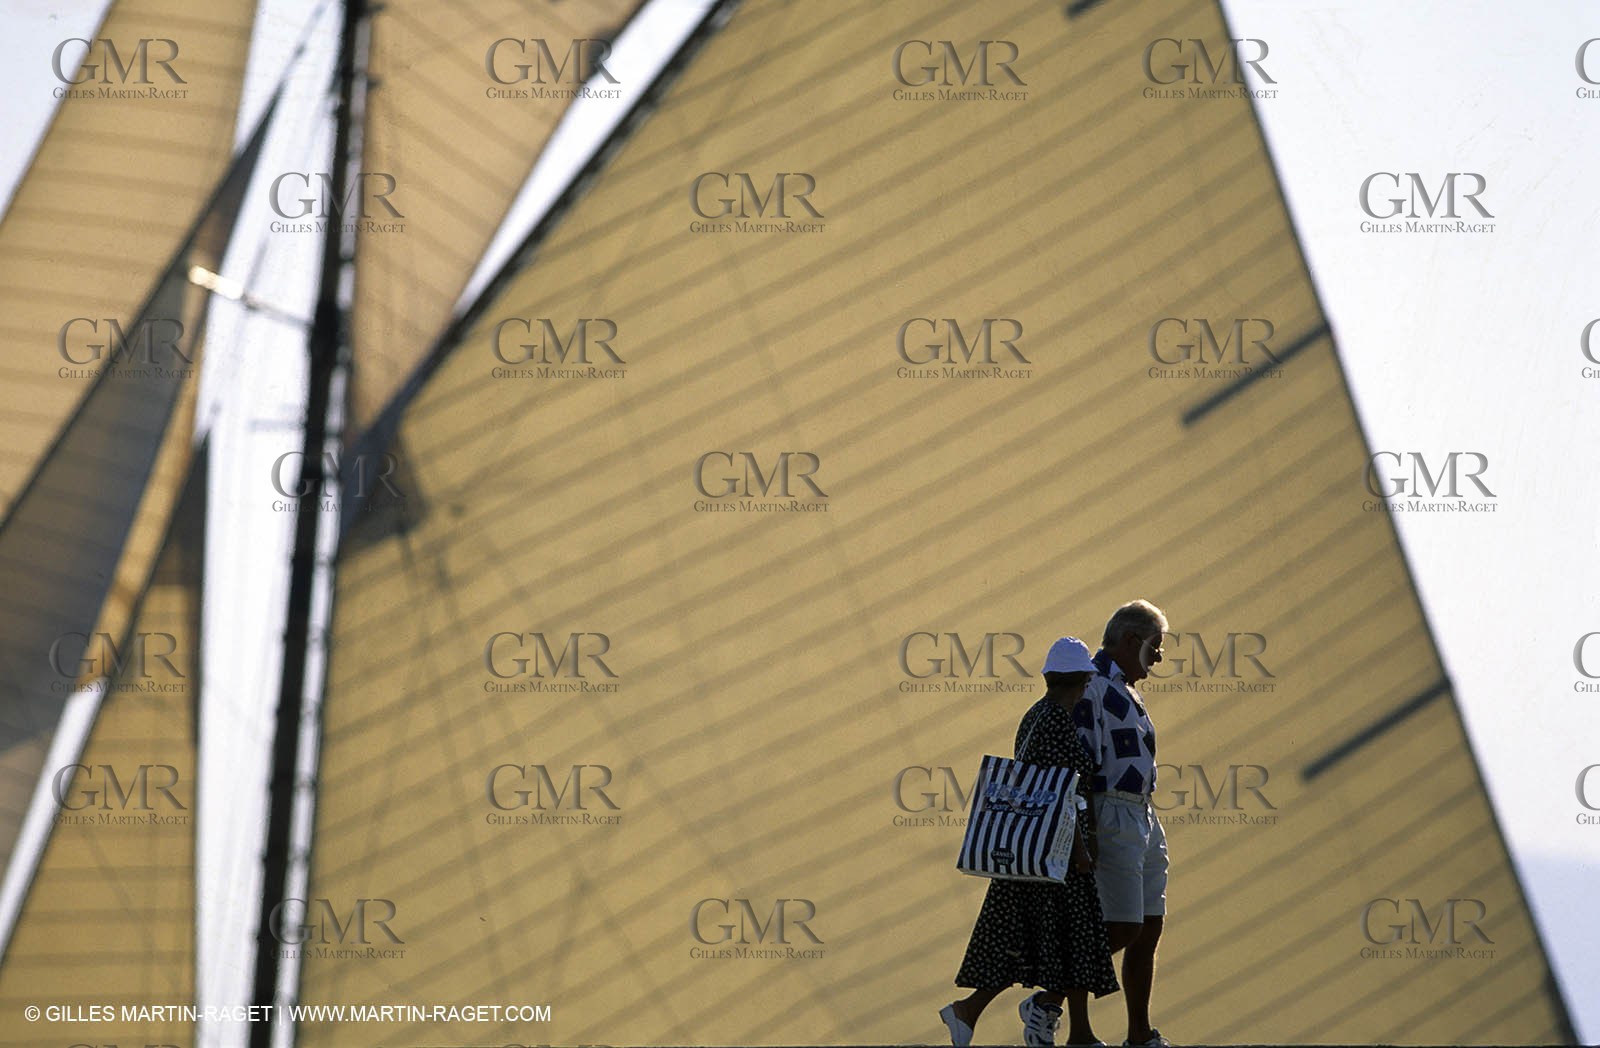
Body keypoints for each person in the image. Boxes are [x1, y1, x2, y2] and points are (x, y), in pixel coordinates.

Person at [941, 636, 1119, 1048]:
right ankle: (1068, 1030)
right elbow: (1063, 794)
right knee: (1072, 939)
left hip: (1027, 852)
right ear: (1084, 681)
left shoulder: (1035, 714)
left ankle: (971, 1012)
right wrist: (1079, 852)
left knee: (1027, 943)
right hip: (1053, 855)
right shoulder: (1058, 720)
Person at [1073, 600, 1172, 1048]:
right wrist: (1086, 828)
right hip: (1110, 808)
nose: (1159, 659)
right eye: (1155, 647)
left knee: (1149, 925)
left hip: (1143, 812)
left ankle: (1138, 1033)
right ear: (1131, 641)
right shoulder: (1091, 685)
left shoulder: (1128, 689)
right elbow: (1082, 758)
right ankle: (1049, 998)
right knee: (1123, 925)